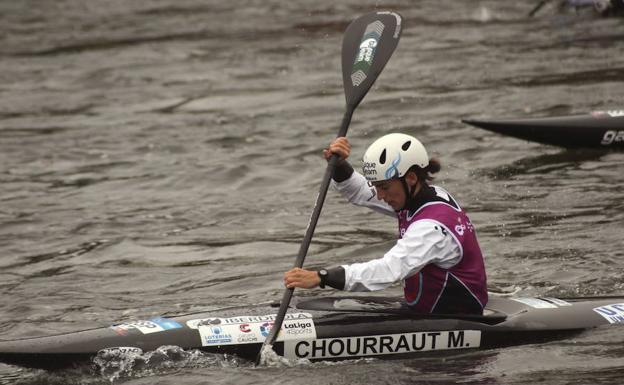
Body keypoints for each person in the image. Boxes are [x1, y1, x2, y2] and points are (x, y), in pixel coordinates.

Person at [283, 133, 488, 314]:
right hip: (428, 310)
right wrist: (338, 166)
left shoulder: (431, 228)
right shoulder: (421, 195)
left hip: (455, 318)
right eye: (377, 186)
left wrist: (322, 277)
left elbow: (388, 271)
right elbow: (361, 192)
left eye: (384, 187)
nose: (380, 196)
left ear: (411, 177)